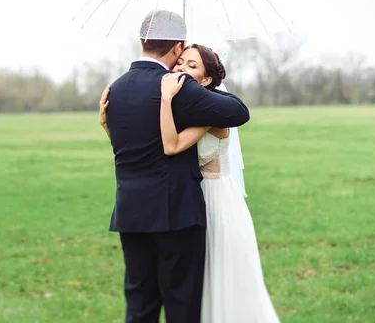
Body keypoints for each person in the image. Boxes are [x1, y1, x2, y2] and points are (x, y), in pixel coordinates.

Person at [100, 43, 280, 323]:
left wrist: (166, 99)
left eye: (192, 66)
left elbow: (170, 146)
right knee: (186, 292)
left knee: (210, 285)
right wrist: (108, 125)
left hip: (212, 200)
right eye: (181, 61)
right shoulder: (185, 107)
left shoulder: (207, 114)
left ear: (207, 80)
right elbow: (149, 145)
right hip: (188, 200)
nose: (182, 68)